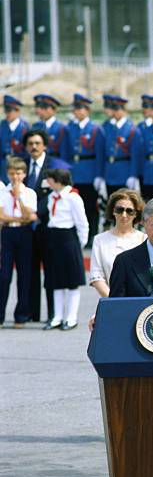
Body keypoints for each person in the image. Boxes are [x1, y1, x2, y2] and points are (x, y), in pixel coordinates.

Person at [43, 168, 89, 331]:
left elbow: (82, 223)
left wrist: (79, 244)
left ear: (57, 181)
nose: (47, 182)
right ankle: (57, 317)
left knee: (71, 282)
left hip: (68, 239)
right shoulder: (52, 197)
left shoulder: (73, 198)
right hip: (54, 238)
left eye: (49, 180)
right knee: (56, 281)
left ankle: (71, 317)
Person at [23, 129, 61, 324]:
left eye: (38, 143)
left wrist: (38, 214)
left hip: (48, 226)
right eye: (30, 144)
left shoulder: (53, 167)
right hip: (27, 227)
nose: (34, 147)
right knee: (30, 271)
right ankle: (32, 312)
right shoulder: (23, 166)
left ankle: (54, 313)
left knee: (51, 272)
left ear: (45, 145)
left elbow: (55, 194)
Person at [0, 158, 37, 327]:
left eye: (19, 173)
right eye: (13, 173)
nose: (15, 177)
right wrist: (18, 218)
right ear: (8, 174)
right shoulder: (2, 192)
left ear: (24, 174)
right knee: (4, 275)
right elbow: (2, 216)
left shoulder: (29, 193)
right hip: (8, 232)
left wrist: (18, 198)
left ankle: (21, 315)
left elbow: (29, 216)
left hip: (24, 234)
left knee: (24, 274)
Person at [90, 189, 146, 298]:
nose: (124, 215)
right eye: (119, 210)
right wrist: (115, 301)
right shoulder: (99, 240)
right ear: (113, 211)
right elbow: (97, 278)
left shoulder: (144, 239)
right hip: (110, 301)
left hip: (140, 303)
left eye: (129, 211)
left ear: (136, 214)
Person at [66, 93, 105, 245]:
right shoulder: (70, 128)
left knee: (90, 207)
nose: (78, 111)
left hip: (89, 173)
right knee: (73, 206)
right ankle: (77, 235)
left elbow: (100, 154)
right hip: (74, 173)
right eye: (76, 108)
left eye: (82, 108)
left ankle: (92, 235)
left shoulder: (95, 129)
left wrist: (99, 175)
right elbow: (66, 152)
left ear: (87, 110)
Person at [102, 95, 140, 221]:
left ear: (124, 110)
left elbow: (135, 154)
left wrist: (133, 174)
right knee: (112, 203)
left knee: (125, 204)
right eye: (114, 109)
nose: (116, 112)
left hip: (124, 169)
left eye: (119, 109)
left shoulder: (131, 129)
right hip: (110, 170)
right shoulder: (107, 127)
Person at [0, 95, 30, 183]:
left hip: (19, 165)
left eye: (9, 111)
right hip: (3, 166)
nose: (7, 114)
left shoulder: (25, 127)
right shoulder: (2, 125)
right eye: (6, 111)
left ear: (17, 111)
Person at [32, 94, 69, 161]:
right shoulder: (35, 127)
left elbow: (64, 152)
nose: (40, 111)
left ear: (53, 110)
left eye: (44, 108)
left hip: (55, 163)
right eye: (38, 107)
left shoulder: (61, 128)